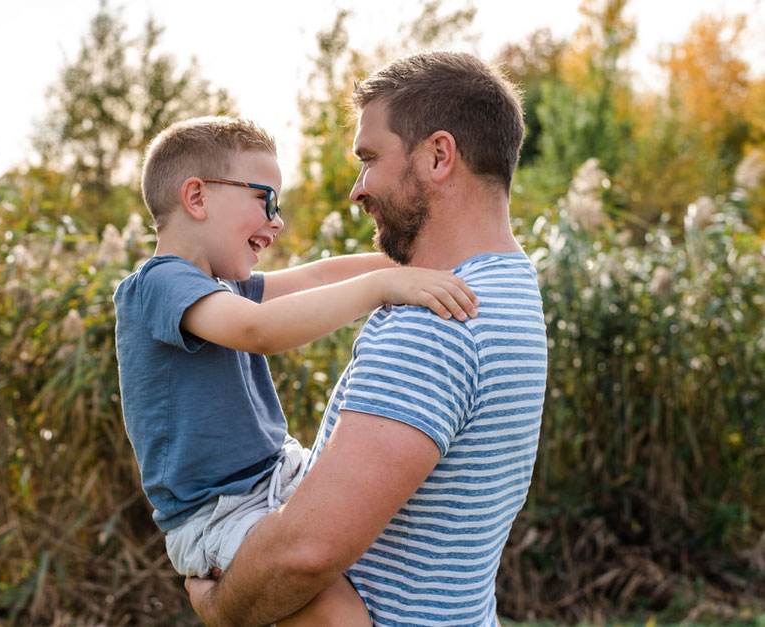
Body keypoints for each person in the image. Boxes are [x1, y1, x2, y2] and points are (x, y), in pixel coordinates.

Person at [185, 51, 548, 627]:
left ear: (438, 155)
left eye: (370, 158)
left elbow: (306, 554)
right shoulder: (510, 284)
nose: (358, 189)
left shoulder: (438, 323)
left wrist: (218, 608)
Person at [113, 116, 481, 625]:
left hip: (275, 477)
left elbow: (320, 274)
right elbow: (259, 331)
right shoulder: (160, 284)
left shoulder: (224, 286)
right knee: (337, 613)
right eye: (265, 199)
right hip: (217, 512)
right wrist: (383, 289)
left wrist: (423, 264)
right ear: (196, 198)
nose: (277, 220)